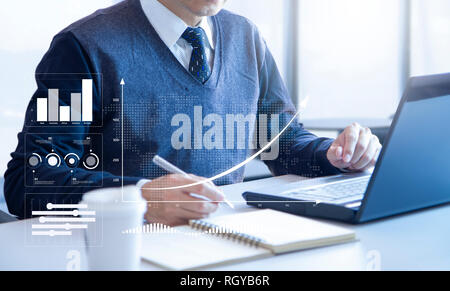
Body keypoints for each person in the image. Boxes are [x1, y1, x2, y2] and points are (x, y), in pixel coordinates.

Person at [4, 0, 381, 225]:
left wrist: (336, 156)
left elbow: (280, 143)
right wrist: (138, 199)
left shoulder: (246, 36)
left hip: (231, 246)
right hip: (128, 251)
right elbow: (29, 182)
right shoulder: (82, 48)